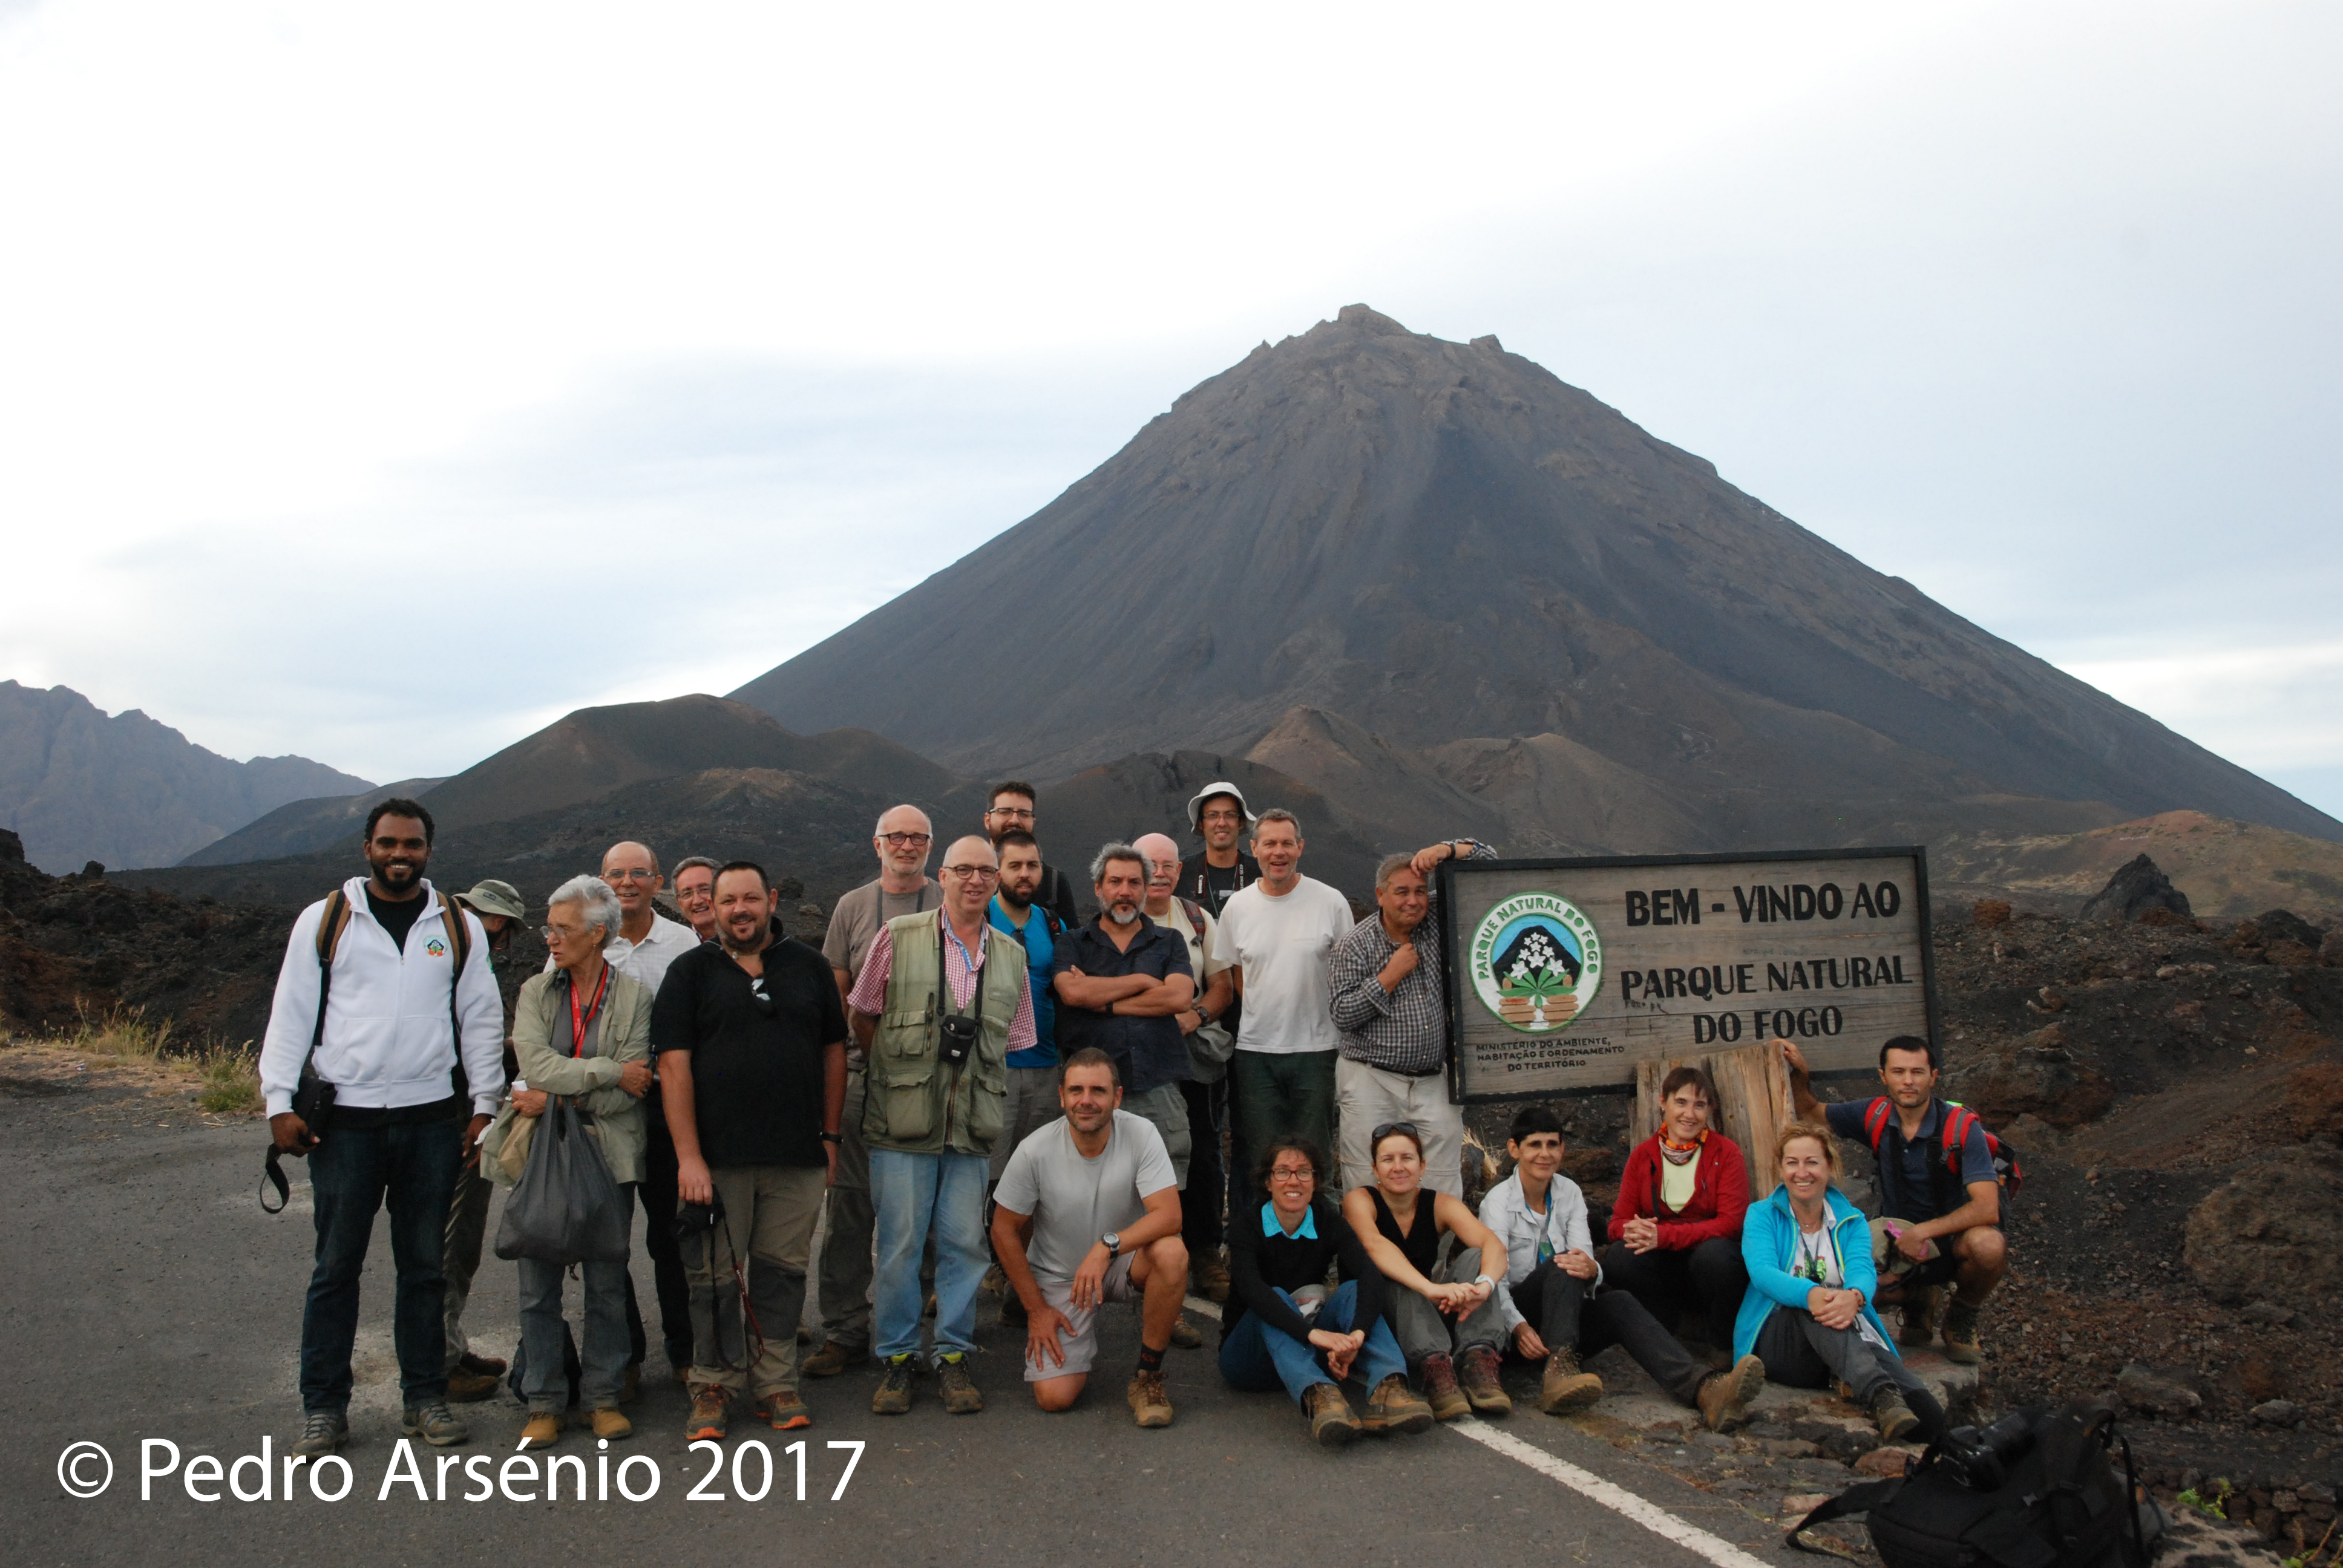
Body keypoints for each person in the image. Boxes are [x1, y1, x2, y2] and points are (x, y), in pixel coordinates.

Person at [259, 799, 505, 1458]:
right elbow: (292, 1012)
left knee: (424, 1266)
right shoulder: (327, 921)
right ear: (367, 847)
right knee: (335, 1267)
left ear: (429, 850)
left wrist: (485, 1105)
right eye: (389, 843)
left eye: (414, 845)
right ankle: (324, 1408)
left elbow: (480, 1018)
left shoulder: (456, 926)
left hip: (431, 1120)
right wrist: (278, 1102)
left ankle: (425, 1398)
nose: (401, 855)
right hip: (345, 1125)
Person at [655, 862, 848, 1439]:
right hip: (715, 1159)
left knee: (782, 1273)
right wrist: (688, 1157)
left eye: (750, 899)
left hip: (796, 1153)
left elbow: (834, 1053)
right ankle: (713, 1383)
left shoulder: (809, 967)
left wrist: (831, 1137)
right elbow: (673, 1065)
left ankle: (776, 1382)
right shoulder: (689, 973)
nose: (740, 910)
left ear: (771, 899)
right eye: (727, 901)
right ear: (710, 908)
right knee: (712, 1276)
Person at [846, 834, 1035, 1417]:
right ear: (943, 876)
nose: (975, 880)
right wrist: (903, 1078)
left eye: (986, 871)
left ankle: (953, 1355)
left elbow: (1017, 1039)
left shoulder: (1012, 955)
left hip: (972, 1127)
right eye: (964, 870)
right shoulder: (896, 938)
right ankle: (898, 1359)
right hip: (903, 1123)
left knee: (964, 1244)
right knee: (900, 1246)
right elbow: (863, 1014)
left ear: (996, 881)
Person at [481, 875, 656, 1448]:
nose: (550, 939)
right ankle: (544, 1399)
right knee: (538, 1284)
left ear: (597, 934)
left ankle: (603, 1396)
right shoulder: (537, 991)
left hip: (608, 1152)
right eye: (548, 928)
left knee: (607, 1280)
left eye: (561, 929)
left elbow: (636, 1081)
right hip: (543, 1154)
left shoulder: (634, 997)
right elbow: (538, 1065)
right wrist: (602, 1072)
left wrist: (558, 1090)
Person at [1481, 1106, 1765, 1432]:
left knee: (1619, 1302)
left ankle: (1706, 1391)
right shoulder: (1497, 1203)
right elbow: (1494, 1279)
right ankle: (1558, 1373)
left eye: (1553, 1144)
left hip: (1565, 1320)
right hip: (1520, 1325)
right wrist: (1518, 1327)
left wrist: (1592, 1270)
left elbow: (1587, 1263)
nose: (1545, 1154)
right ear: (1514, 1149)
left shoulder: (1569, 1192)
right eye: (1535, 1145)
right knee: (1562, 1266)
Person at [805, 805, 942, 1380]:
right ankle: (844, 1330)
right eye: (897, 837)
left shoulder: (949, 899)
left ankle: (920, 1319)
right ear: (877, 844)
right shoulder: (853, 907)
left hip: (932, 1080)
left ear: (930, 846)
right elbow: (835, 987)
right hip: (864, 1078)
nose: (907, 846)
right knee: (852, 1210)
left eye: (918, 838)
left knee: (926, 1212)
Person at [1050, 841, 1201, 1347]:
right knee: (1074, 1191)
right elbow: (1073, 994)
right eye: (1114, 881)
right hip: (1089, 1095)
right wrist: (1141, 981)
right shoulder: (1073, 942)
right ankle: (1058, 1288)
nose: (1125, 890)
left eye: (1134, 881)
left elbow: (1180, 996)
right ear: (1098, 888)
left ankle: (1165, 1301)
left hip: (1155, 1082)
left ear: (1145, 887)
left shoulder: (1171, 941)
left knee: (1164, 1194)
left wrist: (1108, 1003)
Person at [990, 1048, 1188, 1426]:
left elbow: (1170, 1215)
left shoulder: (1141, 1133)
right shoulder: (1035, 1149)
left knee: (1172, 1253)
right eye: (1076, 1090)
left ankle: (1148, 1376)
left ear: (1117, 1097)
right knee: (1054, 1398)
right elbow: (1003, 1230)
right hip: (1060, 1276)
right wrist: (1037, 1310)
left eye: (1098, 1091)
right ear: (1061, 1096)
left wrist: (1106, 1247)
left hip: (1121, 1263)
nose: (1086, 1101)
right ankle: (1030, 1310)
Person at [1784, 1035, 2008, 1364]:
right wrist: (1801, 1077)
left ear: (1933, 1076)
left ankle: (1962, 1313)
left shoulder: (1961, 1128)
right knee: (1845, 1282)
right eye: (1899, 1071)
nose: (1908, 1081)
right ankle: (1917, 1299)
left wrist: (1924, 1232)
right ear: (1883, 1076)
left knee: (1989, 1246)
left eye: (1917, 1072)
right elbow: (1813, 1114)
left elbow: (1987, 1206)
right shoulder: (1875, 1115)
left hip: (1951, 1240)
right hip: (1895, 1239)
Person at [1217, 1134, 1432, 1447]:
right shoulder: (1247, 1226)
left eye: (1304, 1172)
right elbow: (1253, 1291)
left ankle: (1389, 1389)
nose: (1294, 1181)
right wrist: (1313, 1335)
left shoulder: (1327, 1219)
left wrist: (1357, 1334)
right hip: (1249, 1361)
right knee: (1274, 1294)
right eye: (1283, 1172)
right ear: (1268, 1181)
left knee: (1351, 1289)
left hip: (1308, 1351)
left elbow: (1369, 1275)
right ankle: (1322, 1398)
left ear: (1315, 1180)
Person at [1735, 1122, 1943, 1443]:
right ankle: (1879, 1394)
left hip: (1844, 1331)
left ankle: (1861, 1385)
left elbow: (1863, 1270)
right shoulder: (1761, 1215)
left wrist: (1856, 1296)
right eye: (1792, 1163)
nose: (1801, 1172)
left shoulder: (1853, 1221)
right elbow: (1762, 1273)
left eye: (1812, 1162)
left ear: (1829, 1167)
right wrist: (1813, 1294)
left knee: (1928, 1416)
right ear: (1781, 1168)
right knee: (1814, 1302)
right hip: (1783, 1342)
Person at [589, 840, 703, 1391]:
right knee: (608, 1240)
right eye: (617, 874)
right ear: (602, 881)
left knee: (671, 1237)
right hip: (601, 1110)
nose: (628, 882)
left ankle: (685, 1351)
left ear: (659, 882)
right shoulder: (583, 940)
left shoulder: (683, 942)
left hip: (664, 1107)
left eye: (639, 874)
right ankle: (623, 1356)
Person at [1327, 839, 1495, 1197]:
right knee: (1366, 1173)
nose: (1413, 900)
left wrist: (1447, 850)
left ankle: (1432, 1253)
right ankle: (1370, 1251)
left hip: (1434, 1078)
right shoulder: (1353, 945)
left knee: (1443, 1173)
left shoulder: (1436, 917)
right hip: (1370, 1077)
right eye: (1401, 892)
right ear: (1380, 895)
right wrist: (1388, 977)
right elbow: (1342, 1014)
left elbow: (1489, 866)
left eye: (1420, 891)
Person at [1208, 808, 1352, 1195]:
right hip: (1256, 1052)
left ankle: (1317, 1243)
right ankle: (1265, 1246)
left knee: (1314, 1154)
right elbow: (1237, 976)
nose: (1278, 852)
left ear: (1300, 848)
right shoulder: (1238, 907)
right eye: (1269, 843)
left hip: (1318, 1050)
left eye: (1287, 843)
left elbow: (1347, 971)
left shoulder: (1331, 902)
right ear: (1253, 848)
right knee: (1262, 1157)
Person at [1341, 1122, 1512, 1421]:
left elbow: (1493, 1245)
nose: (1398, 1167)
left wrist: (1483, 1287)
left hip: (1424, 1311)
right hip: (1380, 1315)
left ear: (1422, 1165)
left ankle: (1478, 1361)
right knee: (1397, 1279)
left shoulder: (1440, 1204)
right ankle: (1434, 1369)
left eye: (1407, 1158)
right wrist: (1430, 1287)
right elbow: (1374, 1245)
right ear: (1375, 1169)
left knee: (1476, 1256)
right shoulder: (1360, 1200)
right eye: (1388, 1160)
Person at [1136, 831, 1237, 1304]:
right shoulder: (1119, 920)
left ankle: (1202, 1252)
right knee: (1141, 1152)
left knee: (1202, 1150)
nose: (1159, 872)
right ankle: (1144, 1250)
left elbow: (1221, 985)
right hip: (1138, 1055)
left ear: (1180, 870)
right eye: (1149, 864)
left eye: (1168, 865)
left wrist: (1194, 1017)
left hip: (1192, 1056)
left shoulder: (1197, 919)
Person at [441, 878, 526, 1403]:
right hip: (453, 1119)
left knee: (461, 1238)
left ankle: (449, 1344)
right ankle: (438, 1362)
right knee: (449, 1238)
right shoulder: (451, 964)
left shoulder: (467, 960)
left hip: (468, 1112)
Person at [1603, 1065, 1751, 1354]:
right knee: (1621, 1257)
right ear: (1663, 1103)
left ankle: (1723, 1345)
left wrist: (1664, 1235)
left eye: (1699, 1105)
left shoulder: (1726, 1153)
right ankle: (1664, 1335)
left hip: (1706, 1262)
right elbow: (1616, 1223)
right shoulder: (1643, 1155)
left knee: (1717, 1256)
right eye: (1681, 1102)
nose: (1689, 1114)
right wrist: (1636, 1230)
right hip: (1664, 1266)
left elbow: (1732, 1223)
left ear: (1709, 1110)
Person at [988, 829, 1066, 1199]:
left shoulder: (1053, 926)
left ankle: (1019, 1255)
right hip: (992, 1066)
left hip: (1046, 1067)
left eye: (1032, 865)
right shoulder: (979, 917)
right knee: (986, 1170)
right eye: (1014, 865)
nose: (1025, 874)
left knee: (1035, 1174)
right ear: (997, 870)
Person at [983, 782, 1080, 927]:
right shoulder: (968, 877)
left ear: (1033, 821)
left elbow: (1070, 942)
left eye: (1024, 814)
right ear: (987, 820)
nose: (1015, 820)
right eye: (1005, 812)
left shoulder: (1052, 882)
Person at [1176, 780, 1260, 921]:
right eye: (1213, 815)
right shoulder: (1180, 874)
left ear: (1241, 822)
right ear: (1201, 824)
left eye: (1230, 815)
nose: (1221, 823)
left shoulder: (1261, 873)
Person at [672, 855, 723, 943]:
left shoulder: (751, 940)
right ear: (679, 902)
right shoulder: (674, 946)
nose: (697, 901)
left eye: (705, 890)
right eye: (687, 894)